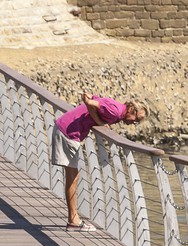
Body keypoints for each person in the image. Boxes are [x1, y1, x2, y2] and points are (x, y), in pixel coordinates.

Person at [50, 95, 146, 231]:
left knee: (73, 176)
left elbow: (92, 97)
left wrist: (96, 117)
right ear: (131, 109)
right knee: (72, 178)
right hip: (68, 133)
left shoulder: (115, 107)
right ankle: (73, 221)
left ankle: (73, 219)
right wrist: (99, 122)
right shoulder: (116, 111)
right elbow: (90, 102)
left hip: (65, 128)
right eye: (137, 119)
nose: (135, 122)